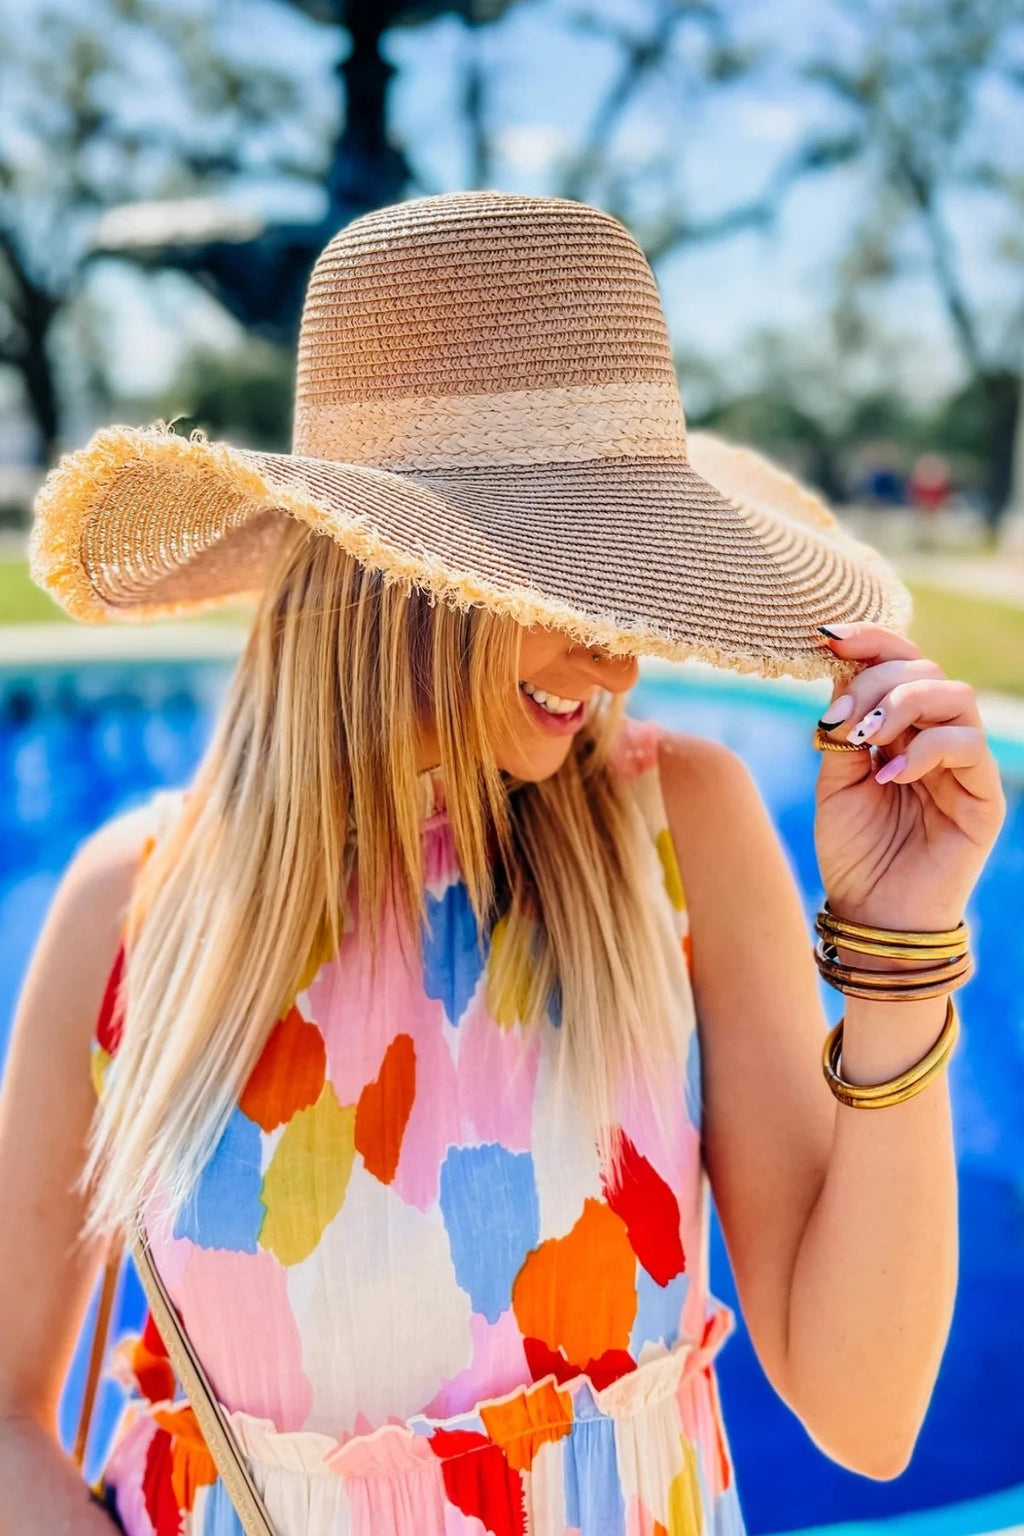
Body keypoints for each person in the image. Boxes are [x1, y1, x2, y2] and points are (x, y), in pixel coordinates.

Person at [0, 192, 1005, 1536]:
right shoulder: (132, 905)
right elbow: (8, 1410)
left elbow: (864, 1413)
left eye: (626, 587)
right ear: (380, 573)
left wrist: (897, 961)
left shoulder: (677, 831)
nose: (620, 659)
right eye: (562, 584)